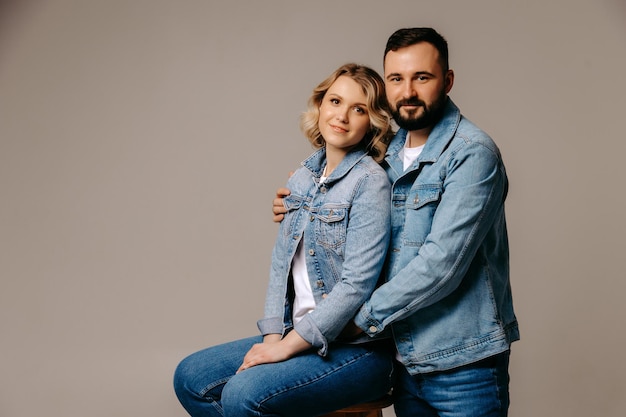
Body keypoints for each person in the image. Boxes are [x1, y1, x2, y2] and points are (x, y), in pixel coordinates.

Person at [273, 28, 520, 417]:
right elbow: (347, 209)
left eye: (422, 77)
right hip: (403, 360)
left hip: (462, 363)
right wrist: (302, 203)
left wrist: (357, 321)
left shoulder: (472, 154)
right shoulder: (382, 154)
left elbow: (441, 265)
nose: (407, 91)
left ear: (448, 80)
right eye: (396, 79)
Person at [174, 63, 396, 417]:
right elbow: (281, 264)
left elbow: (356, 286)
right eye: (336, 101)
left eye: (359, 109)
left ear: (373, 121)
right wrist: (273, 338)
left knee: (243, 395)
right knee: (191, 378)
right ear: (320, 106)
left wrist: (287, 348)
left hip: (358, 348)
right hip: (296, 334)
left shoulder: (371, 182)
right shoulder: (303, 178)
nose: (343, 116)